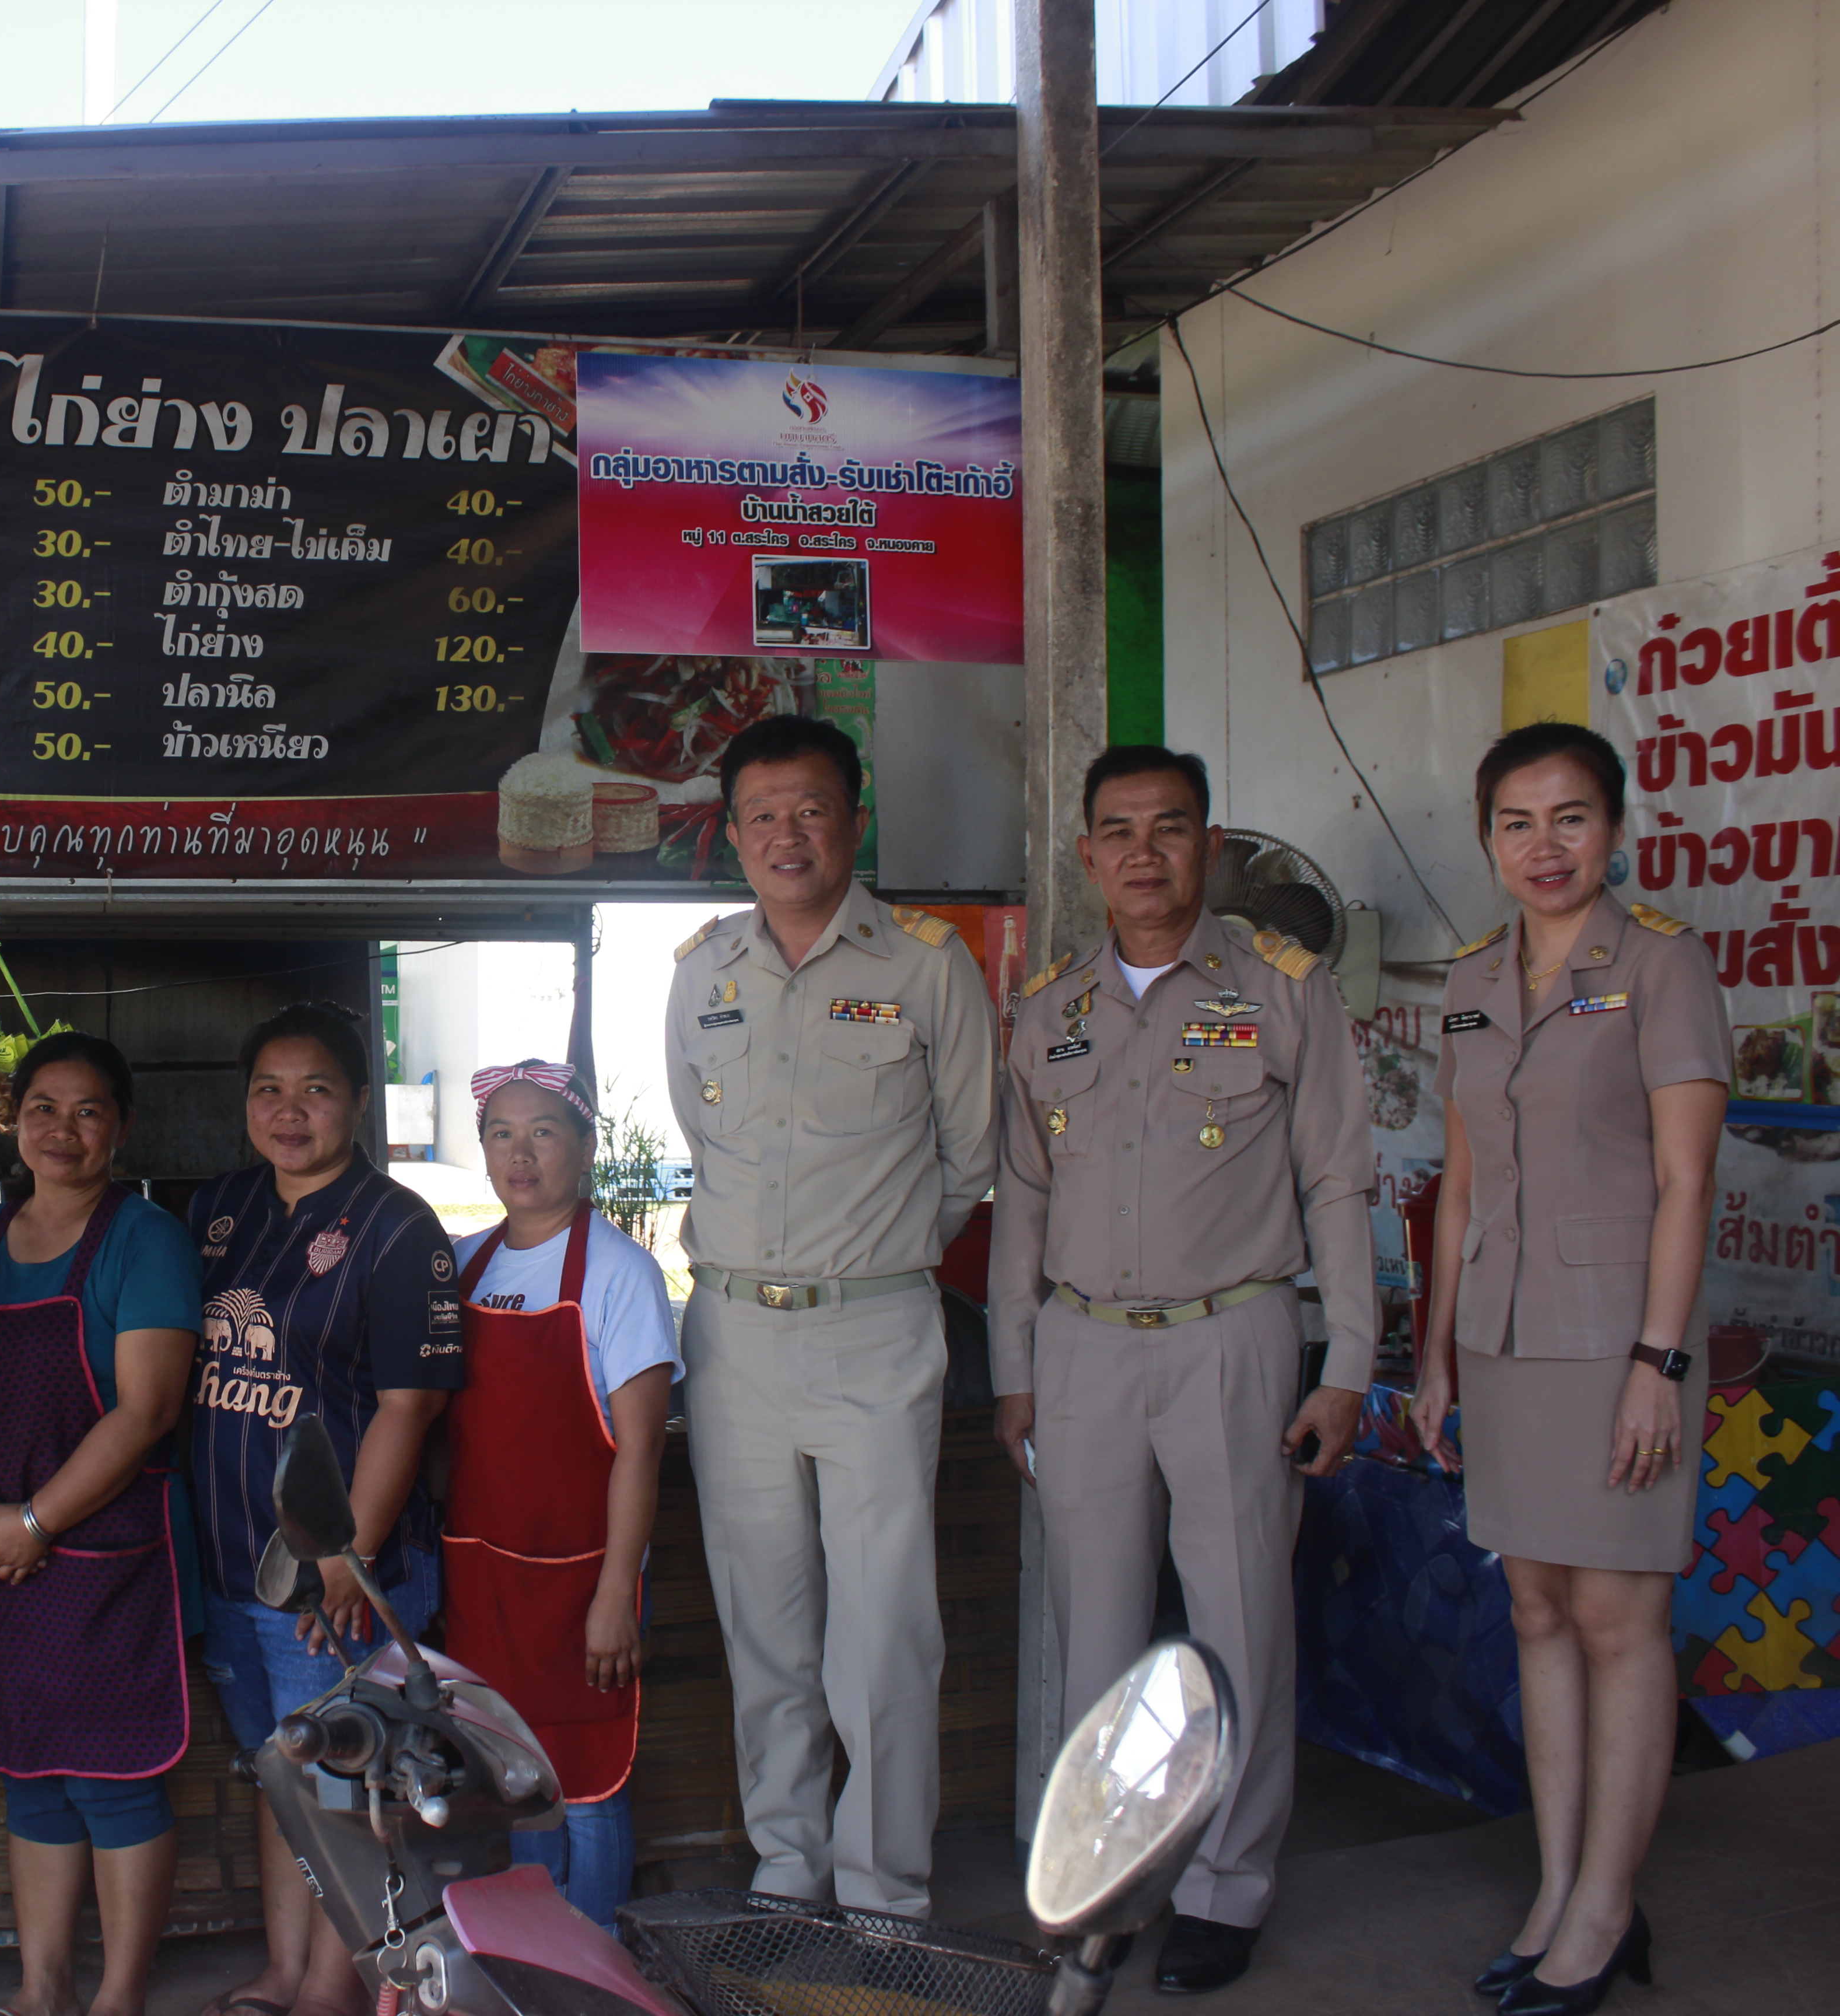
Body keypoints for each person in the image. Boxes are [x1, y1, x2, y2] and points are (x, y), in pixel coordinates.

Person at [988, 746, 1373, 1997]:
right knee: (1091, 1642)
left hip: (1235, 1340)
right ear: (1088, 854)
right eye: (1117, 832)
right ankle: (1103, 1884)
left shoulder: (1283, 989)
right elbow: (1023, 1210)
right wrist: (1014, 1369)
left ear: (1209, 847)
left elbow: (1337, 1181)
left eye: (1170, 828)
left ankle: (1225, 1888)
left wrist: (1348, 1364)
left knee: (1239, 1630)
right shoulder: (1051, 1011)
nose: (1142, 853)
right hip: (1084, 1350)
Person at [1411, 723, 1723, 2016]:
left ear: (1616, 825)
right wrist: (1433, 1356)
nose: (1548, 847)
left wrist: (1659, 1361)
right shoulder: (1473, 981)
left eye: (1573, 818)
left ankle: (1606, 1905)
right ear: (1488, 839)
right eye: (1520, 824)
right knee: (1536, 1612)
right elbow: (1465, 1178)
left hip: (1617, 1343)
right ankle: (1558, 1886)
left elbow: (1686, 1179)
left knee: (1617, 1619)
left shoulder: (1662, 965)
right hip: (1500, 1337)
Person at [664, 713, 995, 1916]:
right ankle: (790, 1863)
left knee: (887, 1631)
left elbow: (971, 1158)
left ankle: (885, 1884)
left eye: (809, 810)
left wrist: (873, 1253)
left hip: (876, 1326)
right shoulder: (703, 970)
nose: (785, 835)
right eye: (761, 816)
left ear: (854, 819)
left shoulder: (925, 963)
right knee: (767, 1627)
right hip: (736, 1334)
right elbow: (703, 1143)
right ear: (732, 835)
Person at [185, 1001, 462, 2016]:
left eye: (315, 1089)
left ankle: (342, 1987)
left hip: (331, 1579)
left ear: (356, 1101)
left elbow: (408, 1406)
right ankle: (288, 1967)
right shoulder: (219, 1211)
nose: (289, 1110)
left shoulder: (397, 1230)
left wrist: (350, 1551)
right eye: (268, 1089)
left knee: (344, 1786)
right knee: (280, 1776)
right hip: (228, 1559)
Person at [0, 1031, 202, 2016]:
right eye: (42, 1106)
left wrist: (34, 1521)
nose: (61, 1129)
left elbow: (146, 1410)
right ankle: (41, 1989)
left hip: (102, 1557)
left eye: (87, 1110)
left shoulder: (143, 1239)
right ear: (13, 1121)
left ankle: (117, 1995)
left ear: (119, 1128)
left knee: (112, 1779)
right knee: (30, 1773)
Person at [440, 1060, 678, 1933]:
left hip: (583, 1579)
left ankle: (598, 1963)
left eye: (543, 1131)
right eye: (501, 1133)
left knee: (588, 1781)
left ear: (584, 1146)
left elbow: (640, 1450)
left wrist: (618, 1594)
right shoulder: (463, 1266)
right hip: (483, 1577)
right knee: (519, 1782)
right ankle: (542, 1961)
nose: (521, 1154)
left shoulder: (621, 1275)